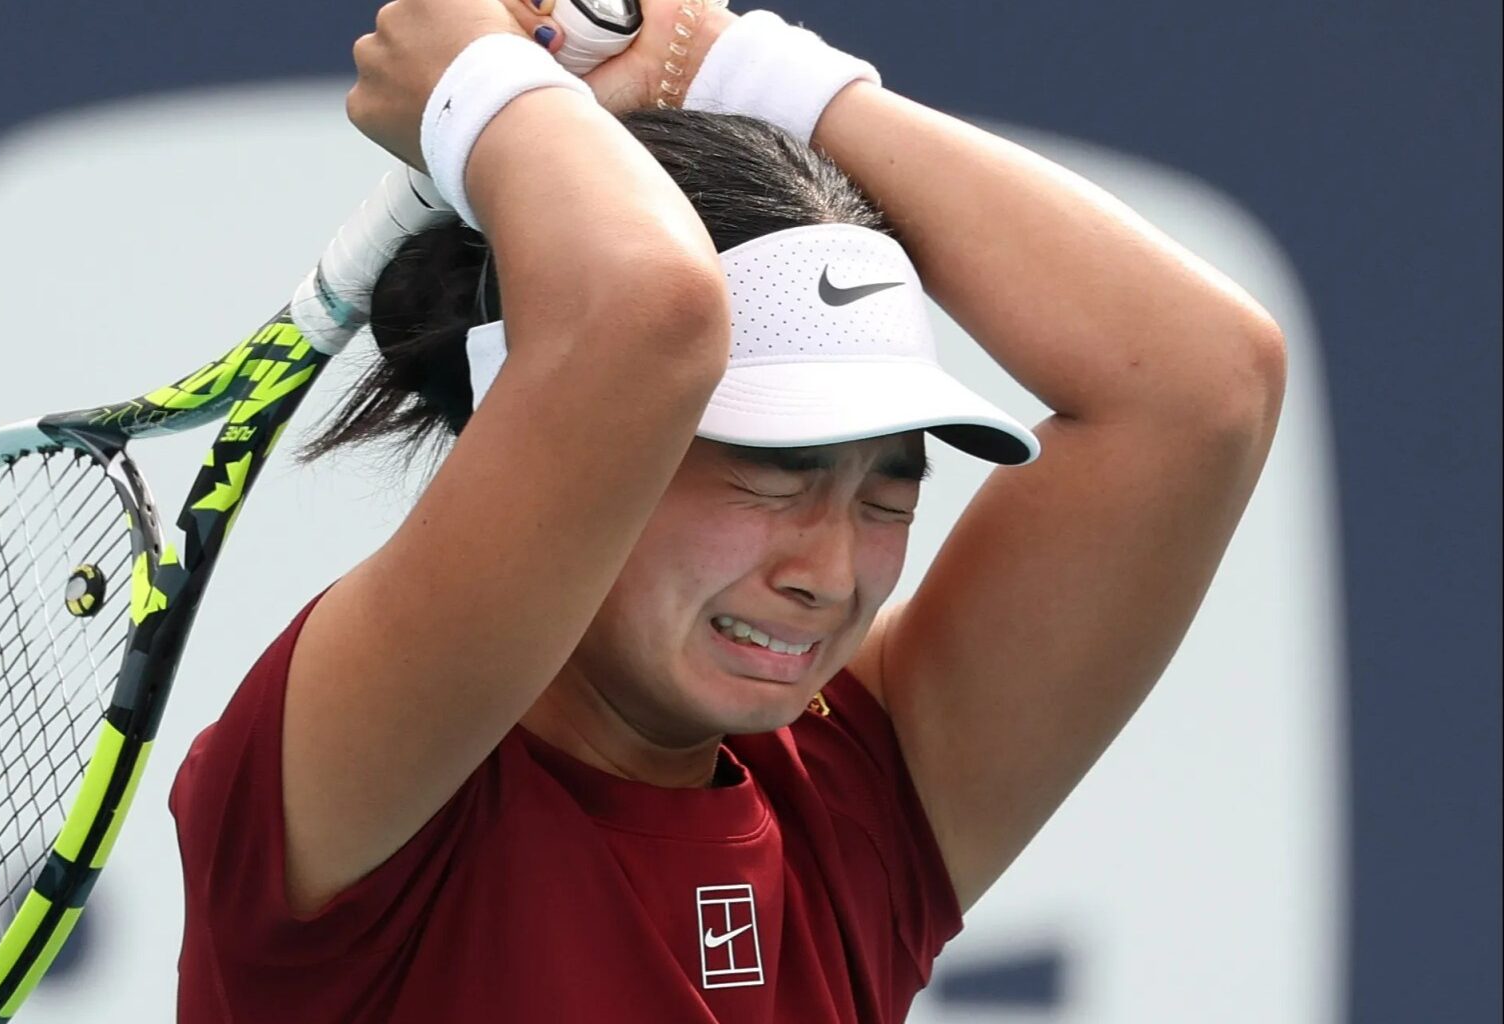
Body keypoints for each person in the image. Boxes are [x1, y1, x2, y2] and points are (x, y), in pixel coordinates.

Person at [170, 1, 1287, 1020]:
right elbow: (641, 317)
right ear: (595, 443)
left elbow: (1201, 388)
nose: (832, 569)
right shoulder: (359, 768)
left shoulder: (859, 790)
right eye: (771, 473)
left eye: (887, 492)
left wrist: (723, 62)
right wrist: (480, 82)